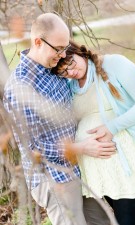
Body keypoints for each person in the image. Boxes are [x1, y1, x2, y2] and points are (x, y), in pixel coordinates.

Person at [3, 13, 116, 225]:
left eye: (65, 48)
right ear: (38, 42)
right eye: (58, 49)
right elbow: (33, 148)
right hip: (55, 179)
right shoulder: (20, 87)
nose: (63, 55)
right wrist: (81, 148)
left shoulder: (55, 69)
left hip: (80, 169)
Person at [51, 40, 135, 225]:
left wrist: (112, 127)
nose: (70, 72)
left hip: (127, 165)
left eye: (71, 63)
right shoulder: (71, 85)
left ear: (79, 52)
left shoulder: (114, 64)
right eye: (64, 71)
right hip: (102, 173)